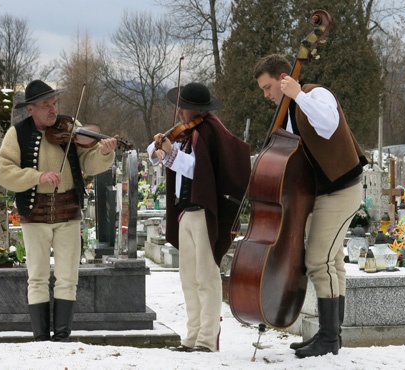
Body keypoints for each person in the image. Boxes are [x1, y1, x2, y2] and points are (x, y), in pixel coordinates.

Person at [253, 54, 367, 358]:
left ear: (283, 79)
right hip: (321, 195)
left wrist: (298, 95)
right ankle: (332, 335)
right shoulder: (288, 112)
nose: (266, 95)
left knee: (318, 261)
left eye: (267, 87)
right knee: (332, 263)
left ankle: (329, 337)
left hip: (341, 190)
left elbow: (329, 124)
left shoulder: (316, 94)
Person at [0, 80, 117, 342]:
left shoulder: (71, 126)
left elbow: (90, 161)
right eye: (45, 105)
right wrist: (37, 177)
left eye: (55, 103)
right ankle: (40, 337)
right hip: (35, 213)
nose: (53, 109)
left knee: (68, 276)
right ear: (30, 109)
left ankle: (61, 336)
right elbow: (3, 172)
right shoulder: (17, 134)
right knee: (37, 276)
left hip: (68, 211)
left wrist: (105, 154)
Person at [148, 82, 251, 353]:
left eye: (183, 107)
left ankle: (207, 338)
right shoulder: (185, 134)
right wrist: (159, 147)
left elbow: (198, 170)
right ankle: (191, 336)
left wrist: (171, 154)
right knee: (188, 277)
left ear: (195, 109)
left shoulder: (210, 131)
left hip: (205, 211)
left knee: (206, 276)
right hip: (186, 213)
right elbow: (153, 156)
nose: (179, 111)